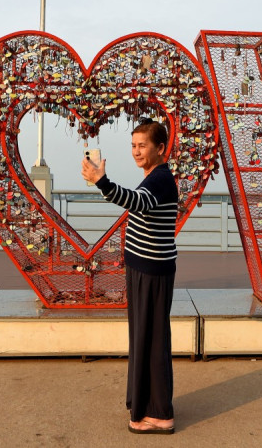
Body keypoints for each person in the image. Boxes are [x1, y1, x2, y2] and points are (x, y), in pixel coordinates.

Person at [81, 118, 178, 435]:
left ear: (160, 148)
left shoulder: (160, 179)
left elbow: (138, 202)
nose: (136, 151)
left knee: (151, 341)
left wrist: (102, 182)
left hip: (152, 272)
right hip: (143, 269)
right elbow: (139, 204)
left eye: (143, 146)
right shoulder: (152, 177)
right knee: (146, 339)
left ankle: (159, 413)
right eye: (133, 146)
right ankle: (149, 404)